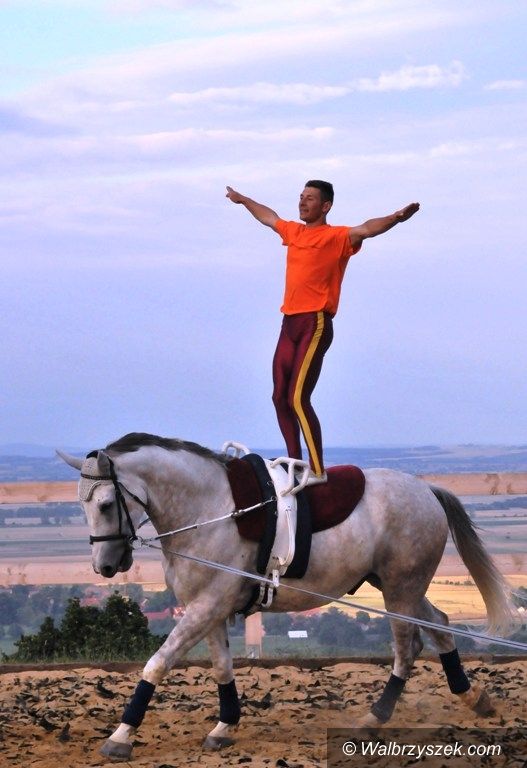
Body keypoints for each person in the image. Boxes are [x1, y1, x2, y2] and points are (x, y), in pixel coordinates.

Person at [226, 180, 419, 486]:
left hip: (314, 323)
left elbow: (367, 229)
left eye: (310, 199)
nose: (302, 202)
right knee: (279, 396)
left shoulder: (337, 236)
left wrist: (395, 218)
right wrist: (243, 199)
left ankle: (317, 470)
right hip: (288, 323)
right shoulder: (294, 232)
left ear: (325, 206)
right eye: (301, 197)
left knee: (297, 397)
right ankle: (295, 462)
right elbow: (268, 217)